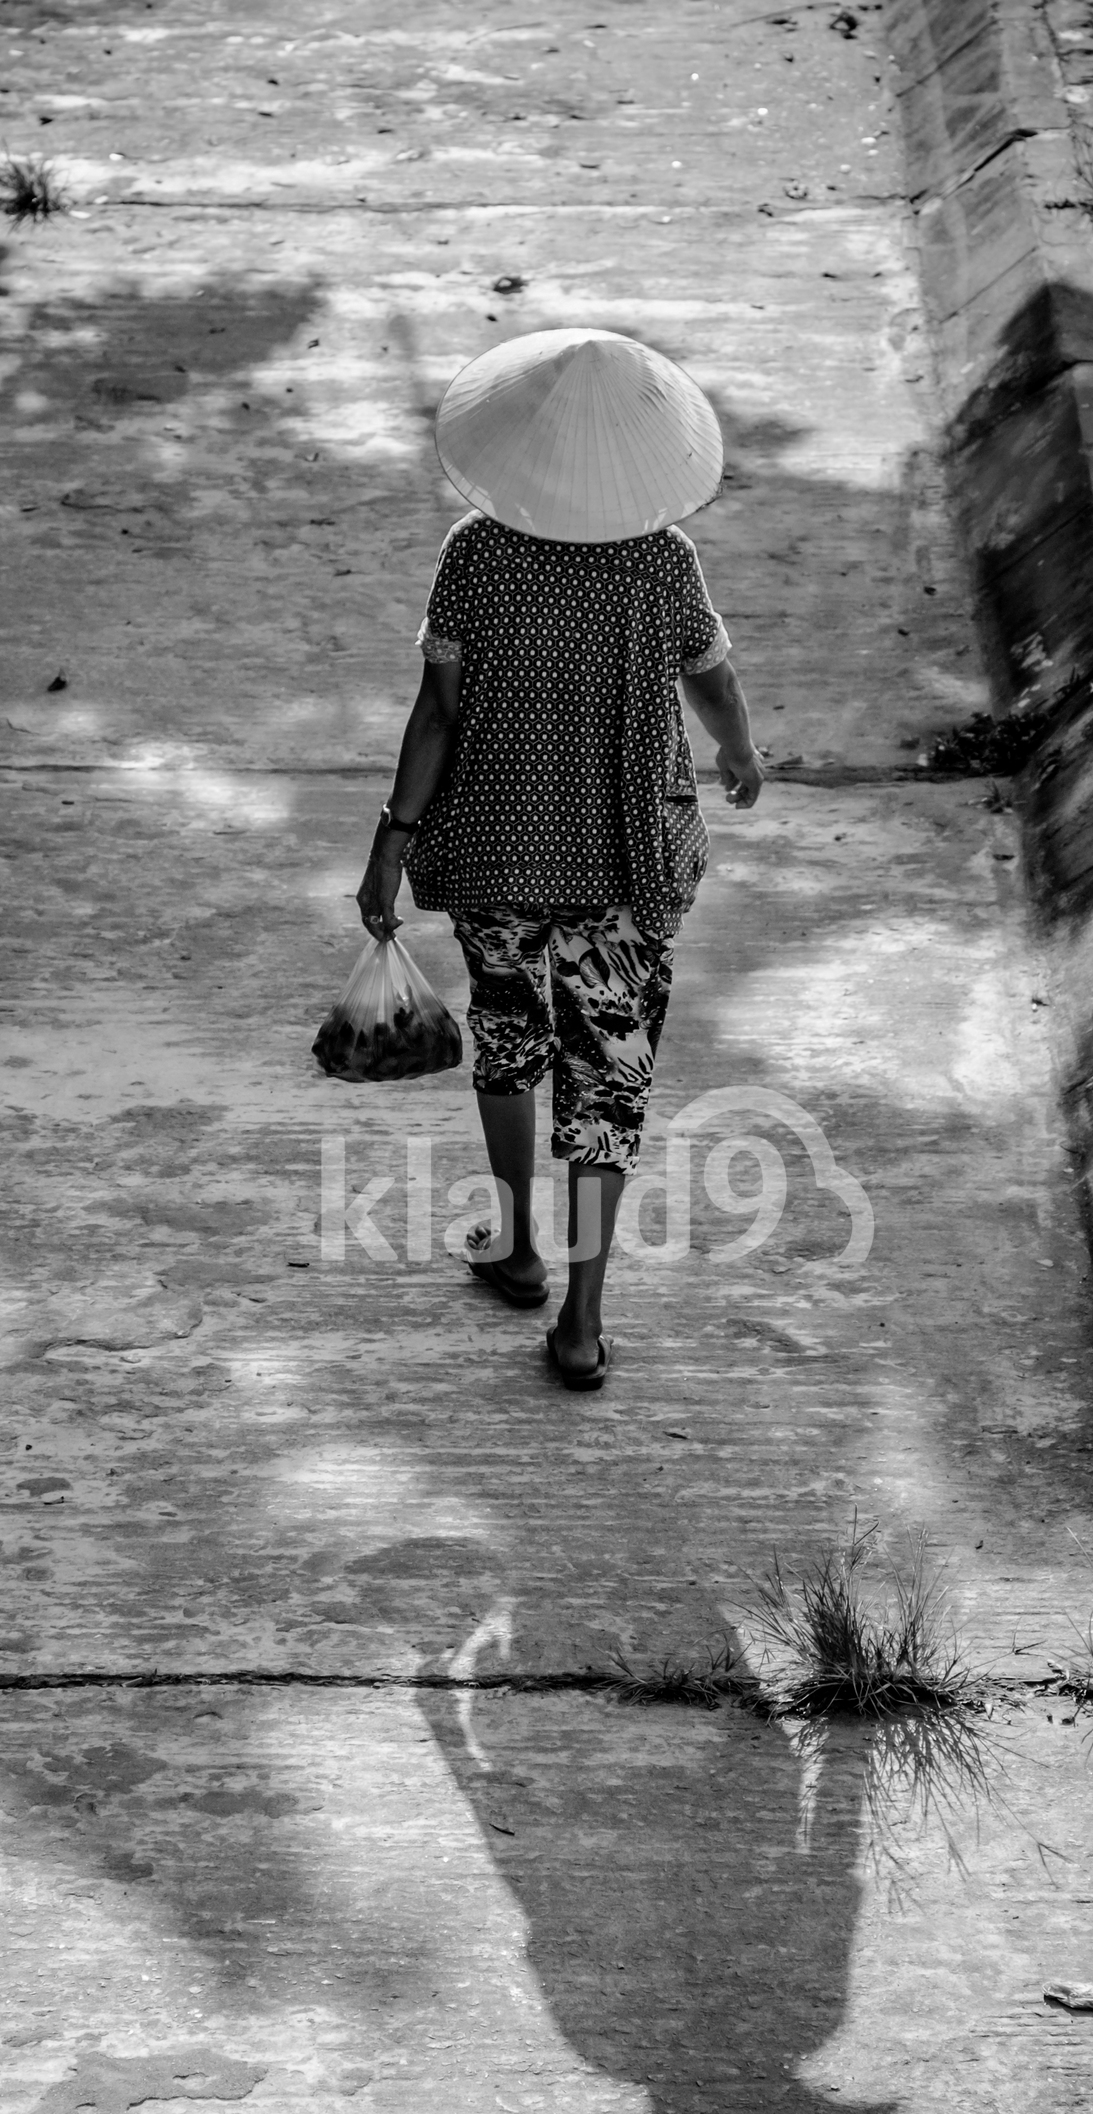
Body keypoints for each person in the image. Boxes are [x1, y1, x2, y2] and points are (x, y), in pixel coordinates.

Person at [356, 328, 765, 1391]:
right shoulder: (664, 561)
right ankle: (581, 1324)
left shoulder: (474, 554)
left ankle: (517, 1248)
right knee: (607, 1085)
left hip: (494, 851)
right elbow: (711, 679)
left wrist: (391, 841)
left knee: (507, 1042)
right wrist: (738, 748)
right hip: (624, 868)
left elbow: (438, 711)